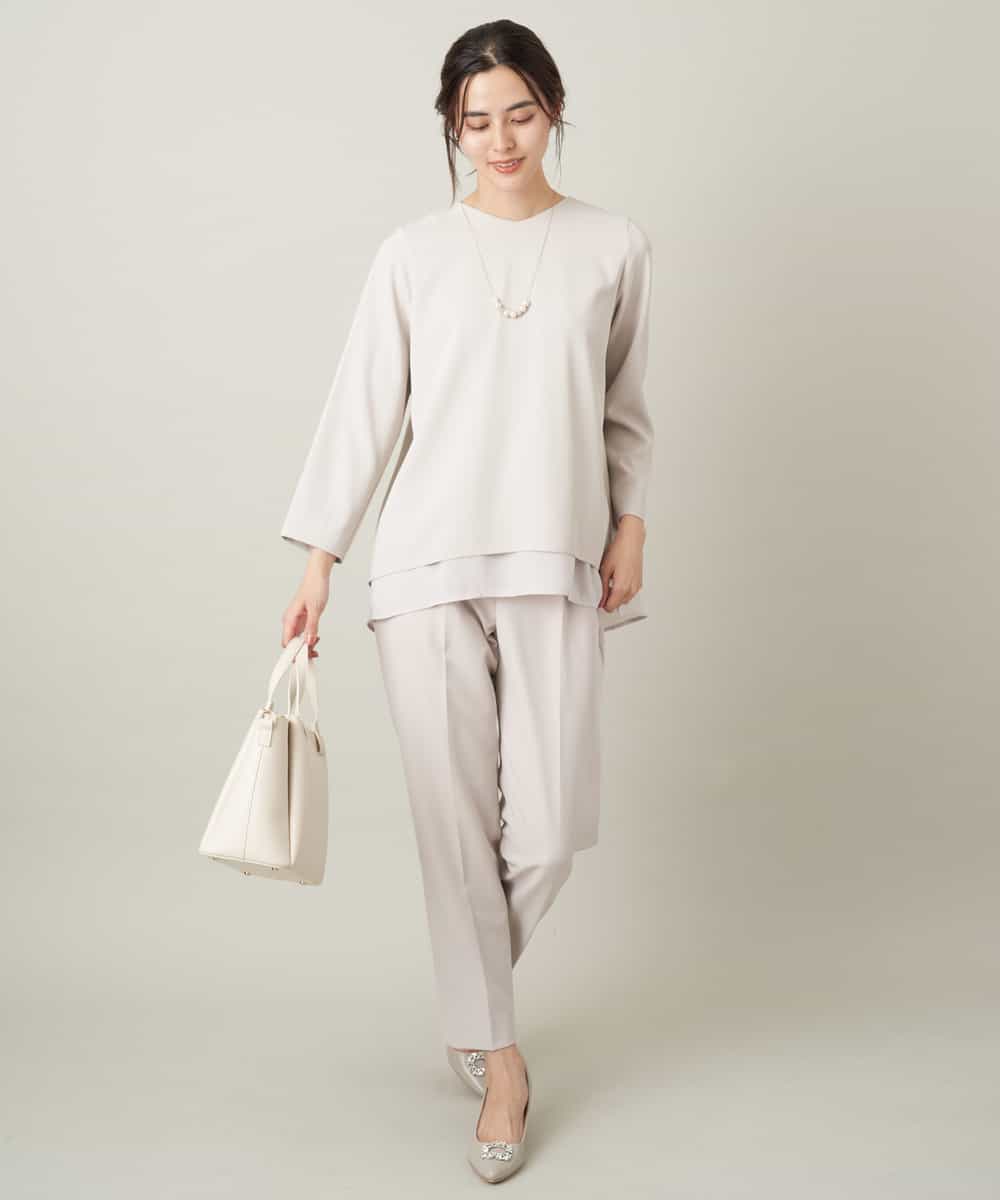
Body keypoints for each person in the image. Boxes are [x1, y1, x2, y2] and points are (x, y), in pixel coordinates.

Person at [278, 19, 654, 1183]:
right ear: (451, 128)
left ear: (553, 110)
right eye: (474, 121)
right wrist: (320, 558)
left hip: (556, 557)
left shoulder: (613, 246)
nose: (498, 139)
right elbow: (363, 408)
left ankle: (468, 999)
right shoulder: (413, 254)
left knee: (548, 829)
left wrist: (632, 520)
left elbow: (625, 406)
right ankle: (501, 1062)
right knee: (452, 829)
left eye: (519, 114)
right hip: (425, 566)